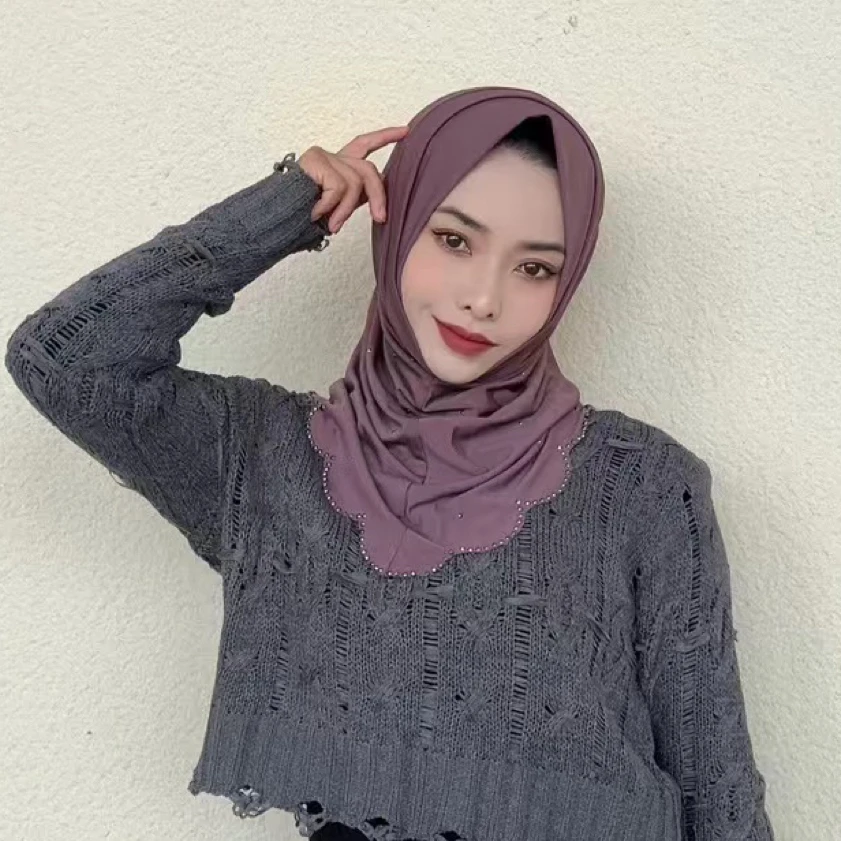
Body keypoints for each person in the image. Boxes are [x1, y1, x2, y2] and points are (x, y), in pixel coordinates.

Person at [5, 87, 775, 841]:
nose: (483, 298)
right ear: (397, 224)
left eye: (534, 268)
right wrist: (286, 210)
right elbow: (63, 360)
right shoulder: (265, 458)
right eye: (454, 240)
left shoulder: (643, 486)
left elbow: (717, 787)